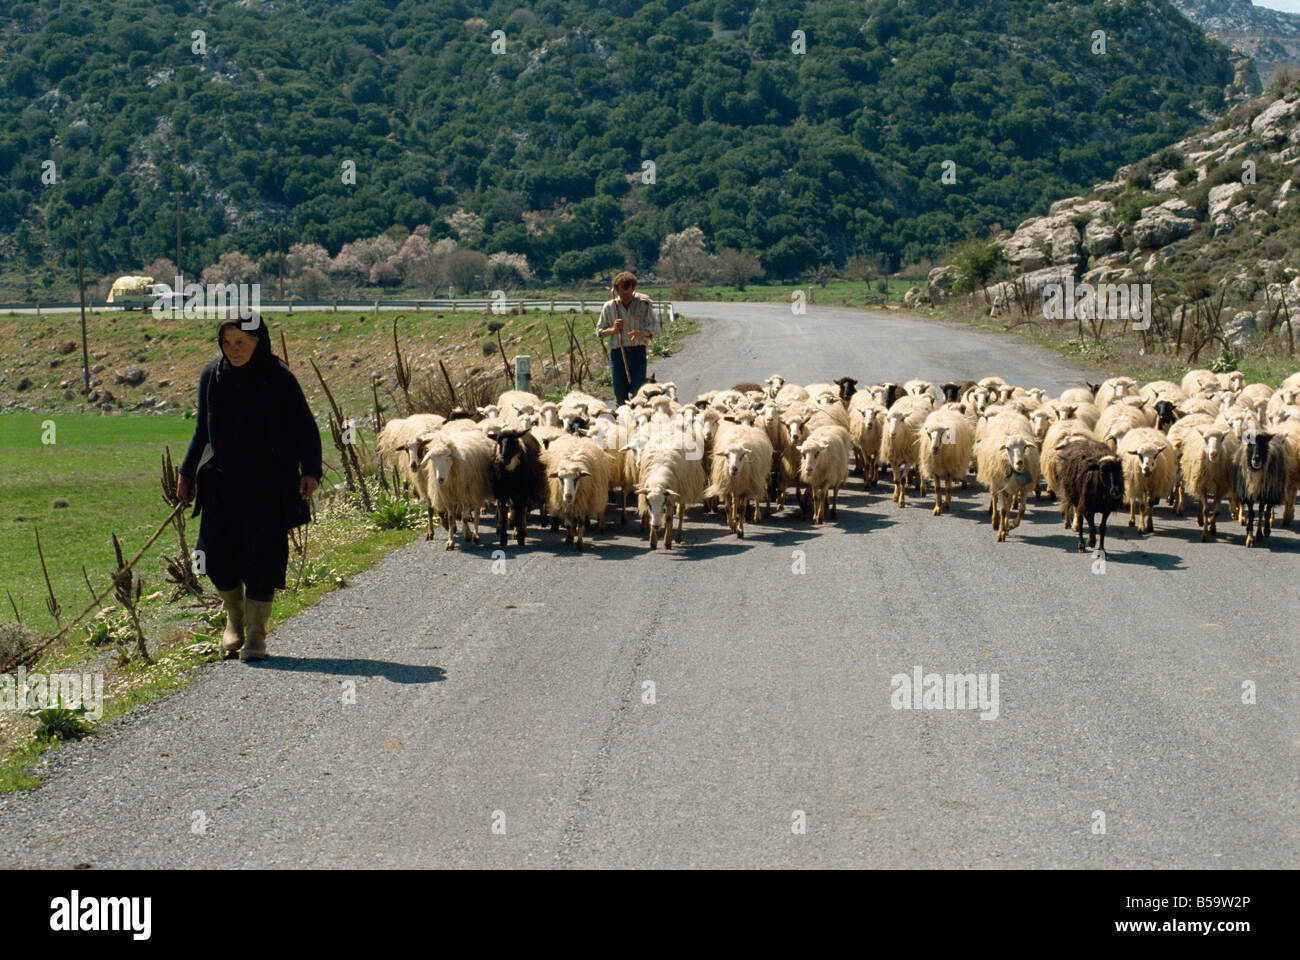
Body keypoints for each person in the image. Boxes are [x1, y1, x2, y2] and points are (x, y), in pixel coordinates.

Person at [176, 314, 322, 662]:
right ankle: (235, 621)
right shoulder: (212, 376)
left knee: (262, 557)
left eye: (241, 341)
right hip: (221, 484)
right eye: (227, 342)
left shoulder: (279, 378)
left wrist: (311, 471)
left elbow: (305, 427)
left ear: (259, 342)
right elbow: (202, 431)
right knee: (213, 557)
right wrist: (186, 472)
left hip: (269, 485)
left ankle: (256, 635)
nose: (233, 349)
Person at [596, 271, 659, 405]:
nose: (625, 296)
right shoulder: (609, 307)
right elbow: (599, 332)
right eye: (622, 293)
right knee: (620, 395)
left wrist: (642, 333)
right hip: (617, 354)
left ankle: (637, 421)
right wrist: (613, 329)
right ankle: (622, 421)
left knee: (638, 394)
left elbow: (655, 328)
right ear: (616, 290)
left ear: (633, 289)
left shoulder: (643, 304)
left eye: (628, 293)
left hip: (638, 352)